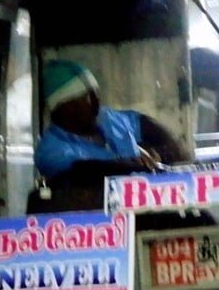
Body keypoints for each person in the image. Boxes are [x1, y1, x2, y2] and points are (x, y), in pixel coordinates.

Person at [34, 59, 188, 206]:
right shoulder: (50, 149)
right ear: (64, 108)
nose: (97, 103)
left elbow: (170, 142)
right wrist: (136, 164)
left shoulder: (109, 118)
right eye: (87, 97)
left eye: (96, 94)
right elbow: (85, 173)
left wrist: (158, 155)